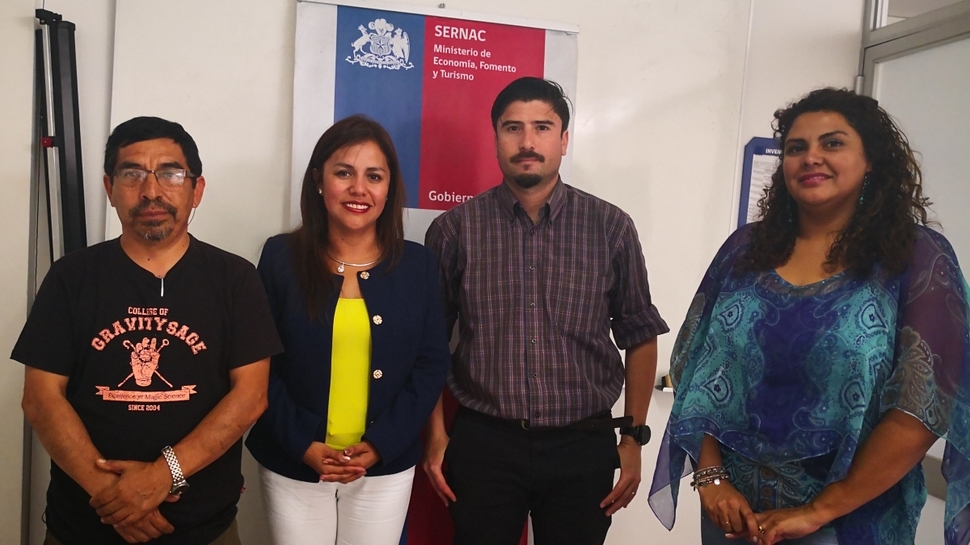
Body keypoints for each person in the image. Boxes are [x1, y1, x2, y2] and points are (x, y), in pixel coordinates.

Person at [649, 88, 970, 545]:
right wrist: (711, 477)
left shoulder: (916, 258)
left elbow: (925, 405)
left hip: (850, 520)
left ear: (872, 160)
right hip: (734, 516)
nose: (811, 157)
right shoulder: (744, 250)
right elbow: (694, 366)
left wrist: (820, 510)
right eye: (797, 148)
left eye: (833, 143)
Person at [421, 76, 669, 545]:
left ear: (564, 139)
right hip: (484, 443)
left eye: (542, 127)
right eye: (513, 128)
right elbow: (430, 341)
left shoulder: (610, 227)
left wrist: (633, 439)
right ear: (495, 137)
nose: (527, 142)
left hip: (583, 444)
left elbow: (639, 334)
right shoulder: (455, 231)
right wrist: (435, 436)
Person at [13, 116, 282, 545]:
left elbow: (251, 396)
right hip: (84, 525)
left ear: (197, 189)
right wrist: (115, 496)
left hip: (202, 528)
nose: (151, 190)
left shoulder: (235, 278)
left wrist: (162, 476)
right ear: (109, 188)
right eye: (132, 173)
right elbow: (41, 398)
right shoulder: (72, 277)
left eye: (171, 173)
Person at [244, 115, 451, 545]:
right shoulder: (280, 258)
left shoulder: (417, 266)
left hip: (383, 467)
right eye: (344, 173)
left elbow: (431, 365)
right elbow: (259, 365)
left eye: (374, 176)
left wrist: (381, 444)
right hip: (294, 462)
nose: (359, 189)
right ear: (319, 181)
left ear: (389, 188)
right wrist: (303, 443)